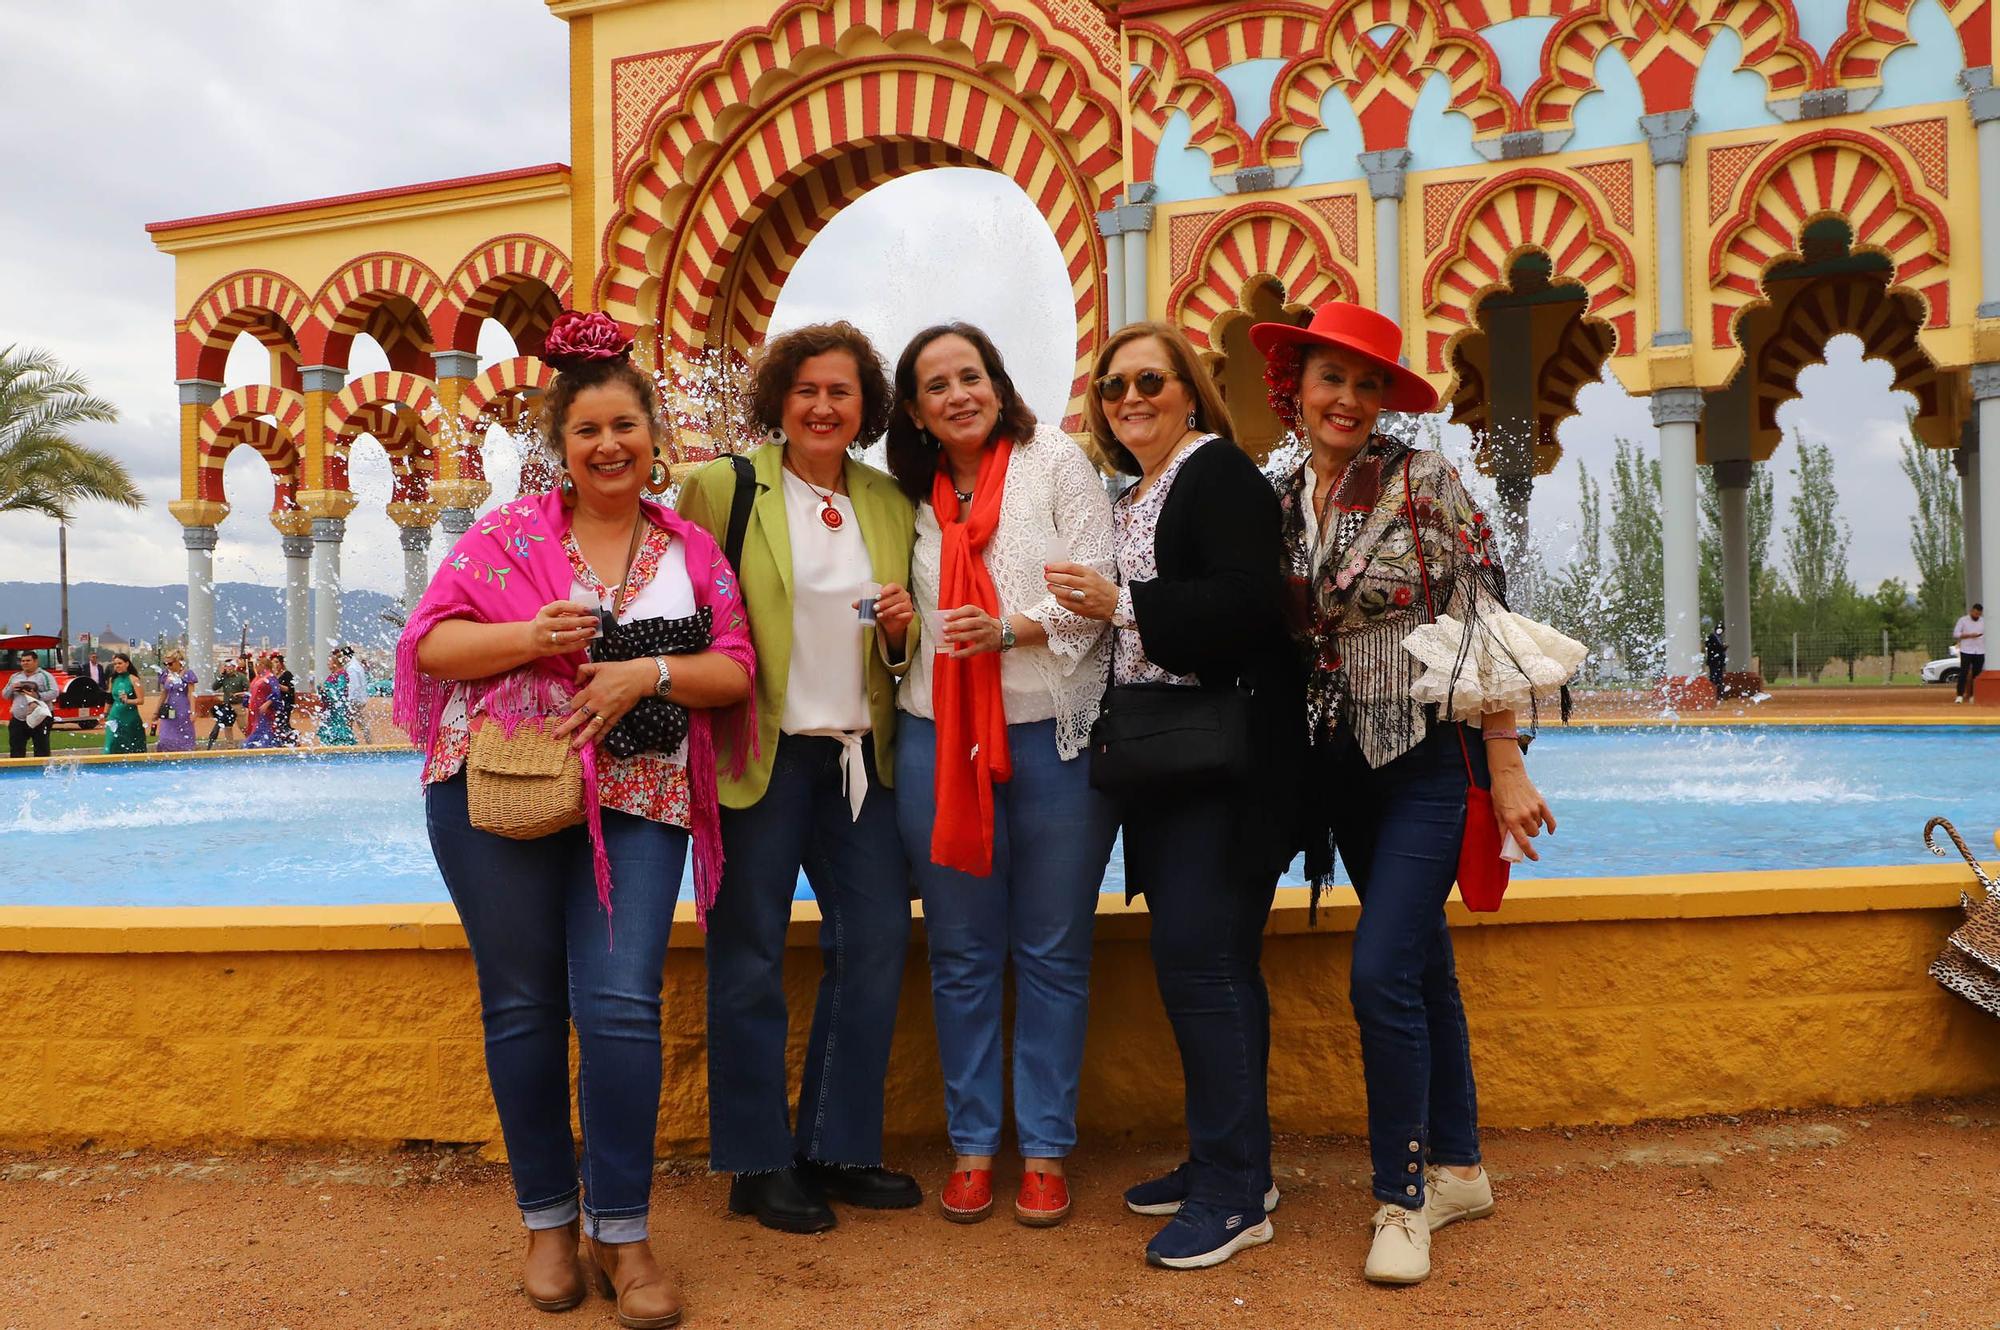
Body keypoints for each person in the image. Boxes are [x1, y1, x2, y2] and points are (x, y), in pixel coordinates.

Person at [396, 309, 755, 1326]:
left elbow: (733, 670)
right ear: (560, 445)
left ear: (653, 437)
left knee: (620, 1006)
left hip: (639, 795)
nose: (608, 446)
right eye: (587, 431)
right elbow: (428, 648)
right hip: (499, 789)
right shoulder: (503, 536)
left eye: (624, 429)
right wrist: (523, 636)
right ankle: (548, 1222)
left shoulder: (688, 548)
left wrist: (647, 668)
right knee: (518, 1007)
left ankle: (624, 1229)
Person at [1253, 301, 1582, 1286]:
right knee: (1421, 971)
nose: (1345, 399)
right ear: (1295, 389)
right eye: (1329, 380)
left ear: (1383, 400)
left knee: (1377, 975)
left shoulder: (1420, 477)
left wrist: (1506, 755)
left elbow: (1482, 610)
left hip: (1423, 762)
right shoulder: (1278, 501)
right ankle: (1459, 1167)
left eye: (1365, 385)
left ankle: (1400, 1200)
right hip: (1336, 771)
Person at [1046, 321, 1305, 1270]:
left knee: (1205, 965)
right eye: (1113, 389)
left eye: (1149, 380)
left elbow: (1249, 605)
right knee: (1204, 963)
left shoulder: (1219, 474)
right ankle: (1230, 1164)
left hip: (1224, 767)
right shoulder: (1136, 493)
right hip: (1171, 763)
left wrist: (1122, 605)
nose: (1130, 400)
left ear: (1190, 389)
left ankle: (1237, 1194)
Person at [675, 321, 921, 1235]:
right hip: (758, 757)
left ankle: (836, 1144)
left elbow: (906, 645)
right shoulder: (724, 487)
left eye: (843, 391)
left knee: (877, 945)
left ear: (866, 408)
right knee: (751, 957)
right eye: (809, 389)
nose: (824, 405)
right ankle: (756, 1162)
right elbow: (680, 611)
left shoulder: (888, 502)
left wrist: (899, 634)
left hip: (858, 759)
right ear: (780, 397)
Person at [883, 323, 1118, 1226]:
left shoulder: (1056, 462)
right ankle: (975, 1146)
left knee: (1052, 952)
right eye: (935, 385)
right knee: (961, 955)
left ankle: (1048, 1150)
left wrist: (1011, 630)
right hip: (936, 740)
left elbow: (1095, 592)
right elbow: (890, 627)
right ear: (914, 409)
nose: (957, 395)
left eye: (969, 375)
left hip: (1051, 739)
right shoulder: (907, 492)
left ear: (997, 380)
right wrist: (895, 624)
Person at [5, 649, 57, 758]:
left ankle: (41, 774)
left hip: (40, 718)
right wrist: (12, 687)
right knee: (16, 749)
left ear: (36, 661)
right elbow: (5, 695)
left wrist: (38, 696)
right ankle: (17, 772)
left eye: (28, 660)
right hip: (18, 719)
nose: (25, 663)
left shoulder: (45, 676)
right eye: (23, 661)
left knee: (41, 749)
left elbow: (55, 692)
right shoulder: (15, 677)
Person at [154, 651, 199, 752]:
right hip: (170, 708)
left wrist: (192, 711)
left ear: (179, 662)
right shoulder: (166, 674)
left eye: (170, 663)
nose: (168, 666)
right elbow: (164, 693)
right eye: (166, 664)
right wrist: (156, 711)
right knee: (165, 735)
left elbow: (191, 694)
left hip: (183, 708)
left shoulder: (187, 674)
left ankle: (185, 753)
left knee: (184, 735)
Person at [102, 652, 147, 754]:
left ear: (127, 664)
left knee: (130, 744)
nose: (117, 666)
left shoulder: (134, 679)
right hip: (115, 715)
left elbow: (141, 700)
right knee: (111, 742)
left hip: (130, 717)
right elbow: (109, 698)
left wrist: (128, 700)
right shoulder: (112, 679)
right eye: (115, 664)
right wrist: (105, 713)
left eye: (120, 663)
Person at [317, 646, 359, 746]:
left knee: (339, 731)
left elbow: (340, 692)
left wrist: (326, 689)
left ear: (335, 663)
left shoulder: (341, 674)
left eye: (329, 662)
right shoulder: (333, 674)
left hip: (337, 711)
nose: (327, 664)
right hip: (330, 710)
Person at [207, 655, 249, 749]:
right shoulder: (224, 678)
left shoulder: (241, 677)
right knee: (227, 725)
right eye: (226, 666)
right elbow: (214, 687)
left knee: (243, 725)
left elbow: (248, 690)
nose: (228, 668)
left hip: (238, 704)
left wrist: (240, 694)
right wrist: (221, 675)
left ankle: (250, 740)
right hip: (227, 705)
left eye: (230, 666)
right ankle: (230, 745)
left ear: (234, 667)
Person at [242, 654, 281, 749]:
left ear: (263, 665)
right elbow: (253, 693)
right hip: (255, 712)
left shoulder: (270, 677)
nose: (256, 667)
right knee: (255, 731)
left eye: (257, 665)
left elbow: (276, 693)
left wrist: (267, 704)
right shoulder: (257, 678)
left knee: (264, 732)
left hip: (264, 713)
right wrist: (246, 697)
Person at [1954, 603, 1985, 702]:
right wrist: (1969, 635)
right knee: (1964, 672)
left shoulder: (1983, 622)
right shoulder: (1963, 620)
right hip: (1966, 650)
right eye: (1975, 613)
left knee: (1977, 674)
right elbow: (1956, 634)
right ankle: (1959, 695)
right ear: (1971, 611)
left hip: (1980, 650)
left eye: (1979, 614)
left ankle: (1973, 695)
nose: (1977, 616)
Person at [345, 646, 374, 741]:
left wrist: (349, 700)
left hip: (354, 700)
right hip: (360, 698)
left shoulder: (351, 668)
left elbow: (354, 686)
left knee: (355, 721)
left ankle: (368, 741)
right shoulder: (356, 665)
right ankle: (348, 739)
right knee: (351, 721)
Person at [272, 652, 299, 744]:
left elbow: (289, 689)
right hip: (277, 702)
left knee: (283, 721)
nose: (275, 665)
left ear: (281, 663)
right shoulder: (275, 675)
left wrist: (277, 685)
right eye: (273, 662)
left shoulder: (287, 674)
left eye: (276, 662)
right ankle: (284, 739)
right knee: (279, 722)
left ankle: (292, 738)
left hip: (286, 702)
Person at [1704, 621, 1727, 698]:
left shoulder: (1719, 638)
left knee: (1719, 677)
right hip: (1714, 661)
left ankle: (1719, 694)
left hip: (1719, 661)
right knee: (1714, 676)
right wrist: (1721, 648)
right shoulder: (1711, 637)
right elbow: (1710, 647)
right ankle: (1713, 693)